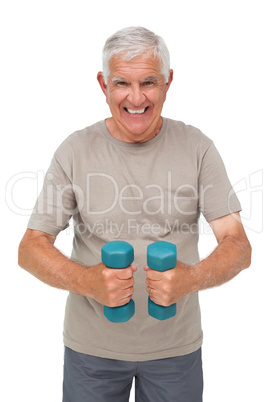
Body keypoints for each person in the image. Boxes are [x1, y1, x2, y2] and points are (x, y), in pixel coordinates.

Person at [18, 26, 251, 401]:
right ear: (103, 84)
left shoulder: (197, 148)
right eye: (122, 83)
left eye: (149, 82)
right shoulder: (75, 151)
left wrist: (192, 278)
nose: (136, 97)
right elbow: (30, 247)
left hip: (176, 352)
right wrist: (88, 281)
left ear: (168, 82)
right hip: (91, 352)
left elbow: (238, 245)